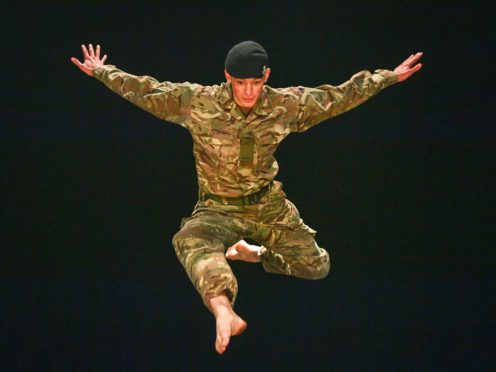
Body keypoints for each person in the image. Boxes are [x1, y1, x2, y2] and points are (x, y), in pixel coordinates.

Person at [71, 41, 422, 354]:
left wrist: (387, 77)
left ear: (266, 76)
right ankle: (224, 311)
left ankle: (253, 255)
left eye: (255, 83)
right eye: (241, 83)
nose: (249, 92)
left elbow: (337, 97)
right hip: (216, 208)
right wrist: (104, 72)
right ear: (228, 77)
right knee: (189, 240)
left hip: (267, 205)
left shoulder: (285, 105)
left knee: (317, 267)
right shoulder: (199, 102)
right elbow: (147, 91)